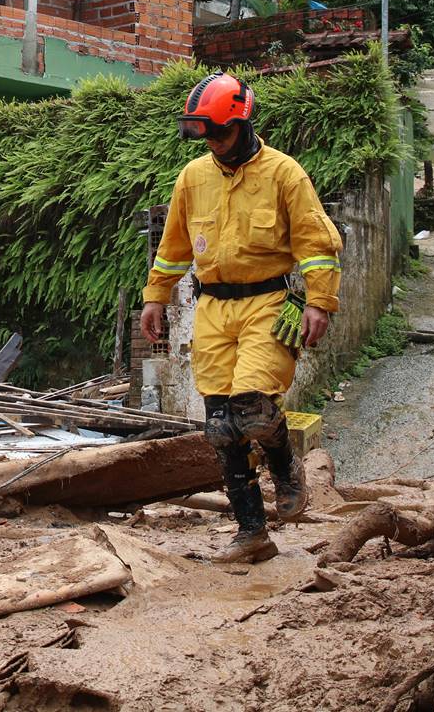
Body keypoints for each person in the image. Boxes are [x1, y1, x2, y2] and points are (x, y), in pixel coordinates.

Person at [141, 73, 343, 564]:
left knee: (251, 408)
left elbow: (317, 247)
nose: (213, 142)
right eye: (204, 134)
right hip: (212, 307)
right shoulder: (193, 177)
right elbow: (173, 249)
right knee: (219, 427)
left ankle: (285, 466)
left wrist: (319, 301)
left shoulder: (285, 174)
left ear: (244, 122)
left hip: (269, 303)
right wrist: (155, 297)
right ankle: (252, 532)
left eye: (220, 132)